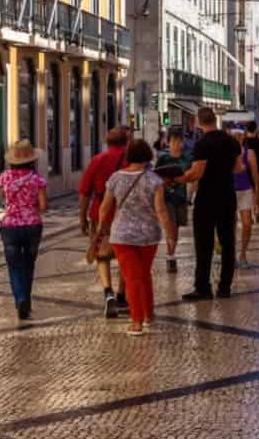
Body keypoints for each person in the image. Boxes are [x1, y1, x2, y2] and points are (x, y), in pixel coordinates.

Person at [173, 108, 242, 302]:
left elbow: (197, 173)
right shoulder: (231, 141)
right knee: (228, 242)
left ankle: (203, 288)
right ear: (215, 120)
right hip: (227, 196)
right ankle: (225, 287)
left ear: (198, 122)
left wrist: (179, 178)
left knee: (204, 244)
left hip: (207, 198)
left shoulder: (202, 143)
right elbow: (238, 168)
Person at [101, 139, 169, 336]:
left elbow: (105, 206)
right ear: (147, 155)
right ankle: (148, 314)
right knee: (144, 274)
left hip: (122, 235)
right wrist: (170, 233)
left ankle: (136, 322)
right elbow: (160, 209)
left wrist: (101, 228)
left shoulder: (115, 178)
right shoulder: (154, 180)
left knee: (132, 278)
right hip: (149, 234)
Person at [78, 128, 130, 318]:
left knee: (102, 256)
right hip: (126, 215)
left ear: (107, 142)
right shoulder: (131, 161)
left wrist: (82, 217)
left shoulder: (97, 160)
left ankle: (108, 293)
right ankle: (122, 295)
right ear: (126, 142)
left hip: (101, 215)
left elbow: (84, 192)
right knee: (125, 255)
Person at [0, 140, 48, 323]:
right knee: (28, 265)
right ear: (31, 160)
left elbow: (4, 199)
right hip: (32, 225)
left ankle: (20, 299)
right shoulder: (37, 180)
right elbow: (43, 206)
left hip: (10, 227)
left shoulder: (5, 177)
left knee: (14, 266)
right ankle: (26, 298)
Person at [155, 126, 191, 273]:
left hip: (181, 198)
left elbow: (192, 175)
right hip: (166, 198)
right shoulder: (163, 157)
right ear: (168, 142)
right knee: (170, 228)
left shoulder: (187, 158)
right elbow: (155, 176)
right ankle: (170, 257)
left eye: (178, 141)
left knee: (175, 230)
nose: (176, 144)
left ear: (182, 141)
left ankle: (171, 253)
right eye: (173, 141)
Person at [233, 128, 259, 269]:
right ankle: (231, 254)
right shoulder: (226, 153)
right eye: (235, 136)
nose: (238, 138)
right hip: (229, 191)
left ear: (243, 137)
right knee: (230, 225)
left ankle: (243, 254)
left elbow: (256, 175)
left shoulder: (249, 153)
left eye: (240, 136)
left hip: (245, 190)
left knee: (247, 224)